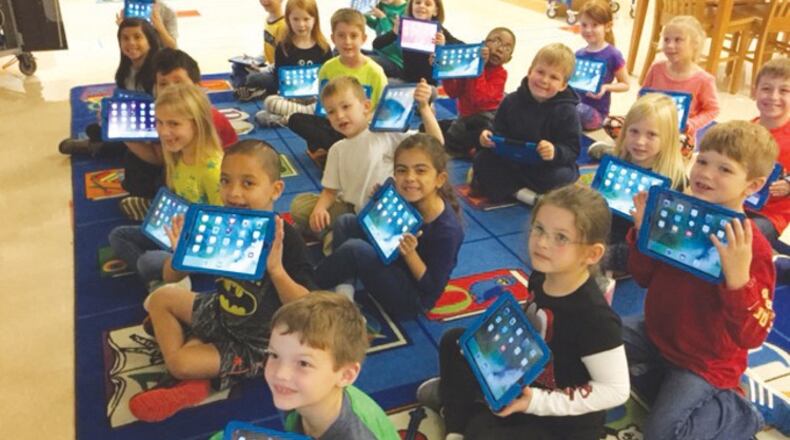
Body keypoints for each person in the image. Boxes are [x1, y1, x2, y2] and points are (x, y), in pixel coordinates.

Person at [418, 184, 629, 440]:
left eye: (561, 237)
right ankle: (456, 422)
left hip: (561, 420)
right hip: (525, 377)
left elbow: (616, 390)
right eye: (539, 229)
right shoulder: (541, 276)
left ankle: (461, 405)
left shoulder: (595, 319)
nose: (541, 242)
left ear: (592, 253)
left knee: (482, 431)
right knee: (455, 340)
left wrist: (536, 402)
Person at [128, 140, 315, 422]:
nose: (234, 193)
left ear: (275, 190)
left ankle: (195, 381)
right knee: (161, 297)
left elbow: (307, 308)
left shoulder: (286, 238)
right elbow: (170, 276)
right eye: (226, 181)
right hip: (220, 310)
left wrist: (277, 271)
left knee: (180, 363)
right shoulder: (220, 223)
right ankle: (197, 349)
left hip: (259, 343)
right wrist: (179, 255)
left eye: (248, 183)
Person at [627, 121, 778, 439]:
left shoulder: (754, 249)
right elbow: (642, 278)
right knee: (588, 340)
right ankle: (661, 379)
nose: (706, 174)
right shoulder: (677, 215)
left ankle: (741, 414)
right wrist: (642, 234)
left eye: (724, 169)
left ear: (752, 185)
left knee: (664, 435)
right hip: (656, 334)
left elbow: (752, 336)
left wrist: (739, 281)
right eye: (703, 161)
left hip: (704, 362)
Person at [314, 134, 464, 319]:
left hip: (412, 299)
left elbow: (430, 287)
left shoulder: (448, 231)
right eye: (402, 170)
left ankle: (307, 285)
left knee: (355, 249)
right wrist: (379, 204)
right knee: (346, 222)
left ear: (439, 179)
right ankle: (345, 291)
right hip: (392, 257)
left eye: (420, 171)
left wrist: (410, 254)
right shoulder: (407, 194)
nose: (409, 178)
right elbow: (381, 229)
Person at [289, 76, 442, 253]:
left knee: (345, 242)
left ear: (366, 107)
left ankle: (332, 236)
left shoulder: (385, 133)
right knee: (299, 206)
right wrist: (320, 208)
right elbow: (330, 190)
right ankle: (331, 233)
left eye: (346, 107)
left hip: (383, 216)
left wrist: (424, 108)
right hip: (353, 209)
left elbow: (435, 143)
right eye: (331, 112)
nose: (339, 115)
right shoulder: (337, 150)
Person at [108, 84, 224, 290]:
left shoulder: (211, 168)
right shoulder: (178, 155)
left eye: (174, 124)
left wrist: (183, 242)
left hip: (197, 244)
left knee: (146, 262)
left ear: (197, 124)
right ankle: (163, 279)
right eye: (159, 122)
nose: (163, 131)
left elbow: (222, 224)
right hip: (175, 230)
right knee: (118, 235)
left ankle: (167, 277)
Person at [118, 48, 239, 219]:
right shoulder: (165, 114)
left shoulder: (207, 122)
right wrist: (121, 131)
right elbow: (158, 146)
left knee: (155, 175)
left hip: (207, 177)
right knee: (131, 152)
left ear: (197, 87)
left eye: (179, 83)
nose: (172, 90)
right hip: (183, 172)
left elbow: (222, 212)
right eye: (163, 84)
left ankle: (154, 205)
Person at [264, 293, 400, 439]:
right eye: (274, 355)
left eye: (303, 363)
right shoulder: (296, 394)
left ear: (346, 375)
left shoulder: (357, 435)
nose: (280, 374)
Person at [595, 15, 719, 158]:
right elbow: (642, 95)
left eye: (678, 40)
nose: (670, 45)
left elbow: (712, 109)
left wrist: (692, 123)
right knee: (611, 123)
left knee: (683, 145)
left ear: (695, 44)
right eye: (666, 40)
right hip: (646, 126)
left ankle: (637, 151)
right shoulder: (656, 68)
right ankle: (634, 150)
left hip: (677, 132)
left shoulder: (704, 79)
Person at [473, 43, 581, 205]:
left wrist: (555, 151)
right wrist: (488, 137)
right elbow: (498, 129)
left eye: (554, 77)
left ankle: (510, 189)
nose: (544, 80)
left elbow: (572, 149)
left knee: (563, 177)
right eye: (540, 72)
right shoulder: (511, 100)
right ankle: (523, 195)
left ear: (563, 85)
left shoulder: (567, 111)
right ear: (530, 72)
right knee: (483, 159)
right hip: (512, 161)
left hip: (543, 168)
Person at [601, 93, 687, 281]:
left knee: (629, 252)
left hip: (636, 239)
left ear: (668, 138)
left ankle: (601, 261)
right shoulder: (619, 161)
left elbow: (660, 235)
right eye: (634, 132)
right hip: (606, 227)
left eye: (651, 135)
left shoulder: (675, 180)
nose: (640, 142)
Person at [287, 8, 388, 160]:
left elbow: (384, 111)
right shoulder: (327, 68)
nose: (347, 42)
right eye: (341, 36)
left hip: (362, 128)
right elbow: (323, 106)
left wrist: (364, 118)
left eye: (353, 36)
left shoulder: (375, 72)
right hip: (335, 125)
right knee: (295, 120)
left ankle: (338, 151)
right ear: (333, 39)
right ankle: (342, 150)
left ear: (364, 38)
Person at [58, 18, 162, 155]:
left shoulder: (160, 71)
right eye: (125, 38)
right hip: (134, 120)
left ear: (150, 40)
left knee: (125, 149)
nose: (131, 43)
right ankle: (104, 139)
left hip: (156, 128)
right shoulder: (126, 69)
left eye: (137, 37)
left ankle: (94, 147)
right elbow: (124, 98)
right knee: (101, 125)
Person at [256, 0, 333, 127]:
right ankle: (303, 115)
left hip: (315, 99)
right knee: (269, 102)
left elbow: (329, 81)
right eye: (295, 19)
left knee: (330, 103)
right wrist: (284, 93)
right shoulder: (283, 47)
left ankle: (288, 118)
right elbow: (278, 79)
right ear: (288, 20)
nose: (301, 24)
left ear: (315, 19)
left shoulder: (323, 48)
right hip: (291, 99)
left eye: (306, 19)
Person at [440, 27, 515, 158]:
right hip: (465, 118)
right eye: (496, 41)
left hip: (485, 119)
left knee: (459, 139)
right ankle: (470, 148)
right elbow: (453, 92)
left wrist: (479, 67)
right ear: (484, 44)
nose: (500, 49)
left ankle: (474, 150)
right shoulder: (470, 65)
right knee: (429, 127)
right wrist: (446, 73)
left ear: (509, 59)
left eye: (507, 48)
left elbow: (478, 98)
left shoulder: (501, 75)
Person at [748, 57, 790, 247]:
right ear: (754, 91)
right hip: (734, 202)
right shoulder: (746, 129)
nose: (773, 96)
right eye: (766, 88)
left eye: (784, 91)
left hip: (769, 216)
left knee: (745, 237)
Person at [372, 0, 461, 88]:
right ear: (411, 7)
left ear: (435, 11)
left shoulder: (439, 30)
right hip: (406, 80)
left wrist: (444, 44)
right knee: (384, 86)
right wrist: (394, 33)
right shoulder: (405, 26)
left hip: (429, 85)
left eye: (428, 4)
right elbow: (376, 44)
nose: (422, 6)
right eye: (418, 2)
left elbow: (460, 46)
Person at [574, 0, 629, 131]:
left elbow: (625, 84)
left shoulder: (613, 54)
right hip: (575, 105)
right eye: (584, 25)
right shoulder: (578, 54)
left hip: (596, 114)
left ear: (608, 26)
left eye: (595, 25)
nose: (588, 30)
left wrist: (605, 87)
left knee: (574, 109)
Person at [233, 0, 287, 100]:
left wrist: (261, 70)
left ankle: (250, 89)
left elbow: (283, 61)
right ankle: (248, 89)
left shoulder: (283, 26)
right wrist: (255, 60)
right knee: (237, 66)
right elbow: (268, 48)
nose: (265, 2)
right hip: (268, 67)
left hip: (277, 73)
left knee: (252, 78)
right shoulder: (268, 19)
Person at [364, 0, 408, 78]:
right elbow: (377, 26)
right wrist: (364, 16)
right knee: (341, 53)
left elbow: (391, 37)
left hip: (395, 61)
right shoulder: (382, 4)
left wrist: (382, 17)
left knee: (361, 61)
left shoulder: (407, 10)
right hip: (379, 52)